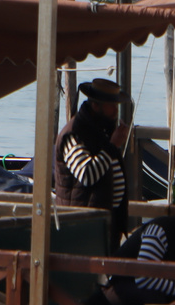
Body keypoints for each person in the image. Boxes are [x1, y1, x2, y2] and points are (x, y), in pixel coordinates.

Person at [85, 211, 175, 305]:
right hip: (122, 282)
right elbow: (144, 278)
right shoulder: (159, 232)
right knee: (157, 298)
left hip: (152, 283)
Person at [55, 78, 132, 238]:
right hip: (81, 227)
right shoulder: (73, 134)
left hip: (103, 224)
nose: (116, 110)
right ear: (96, 106)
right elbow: (87, 175)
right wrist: (113, 145)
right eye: (112, 105)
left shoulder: (100, 130)